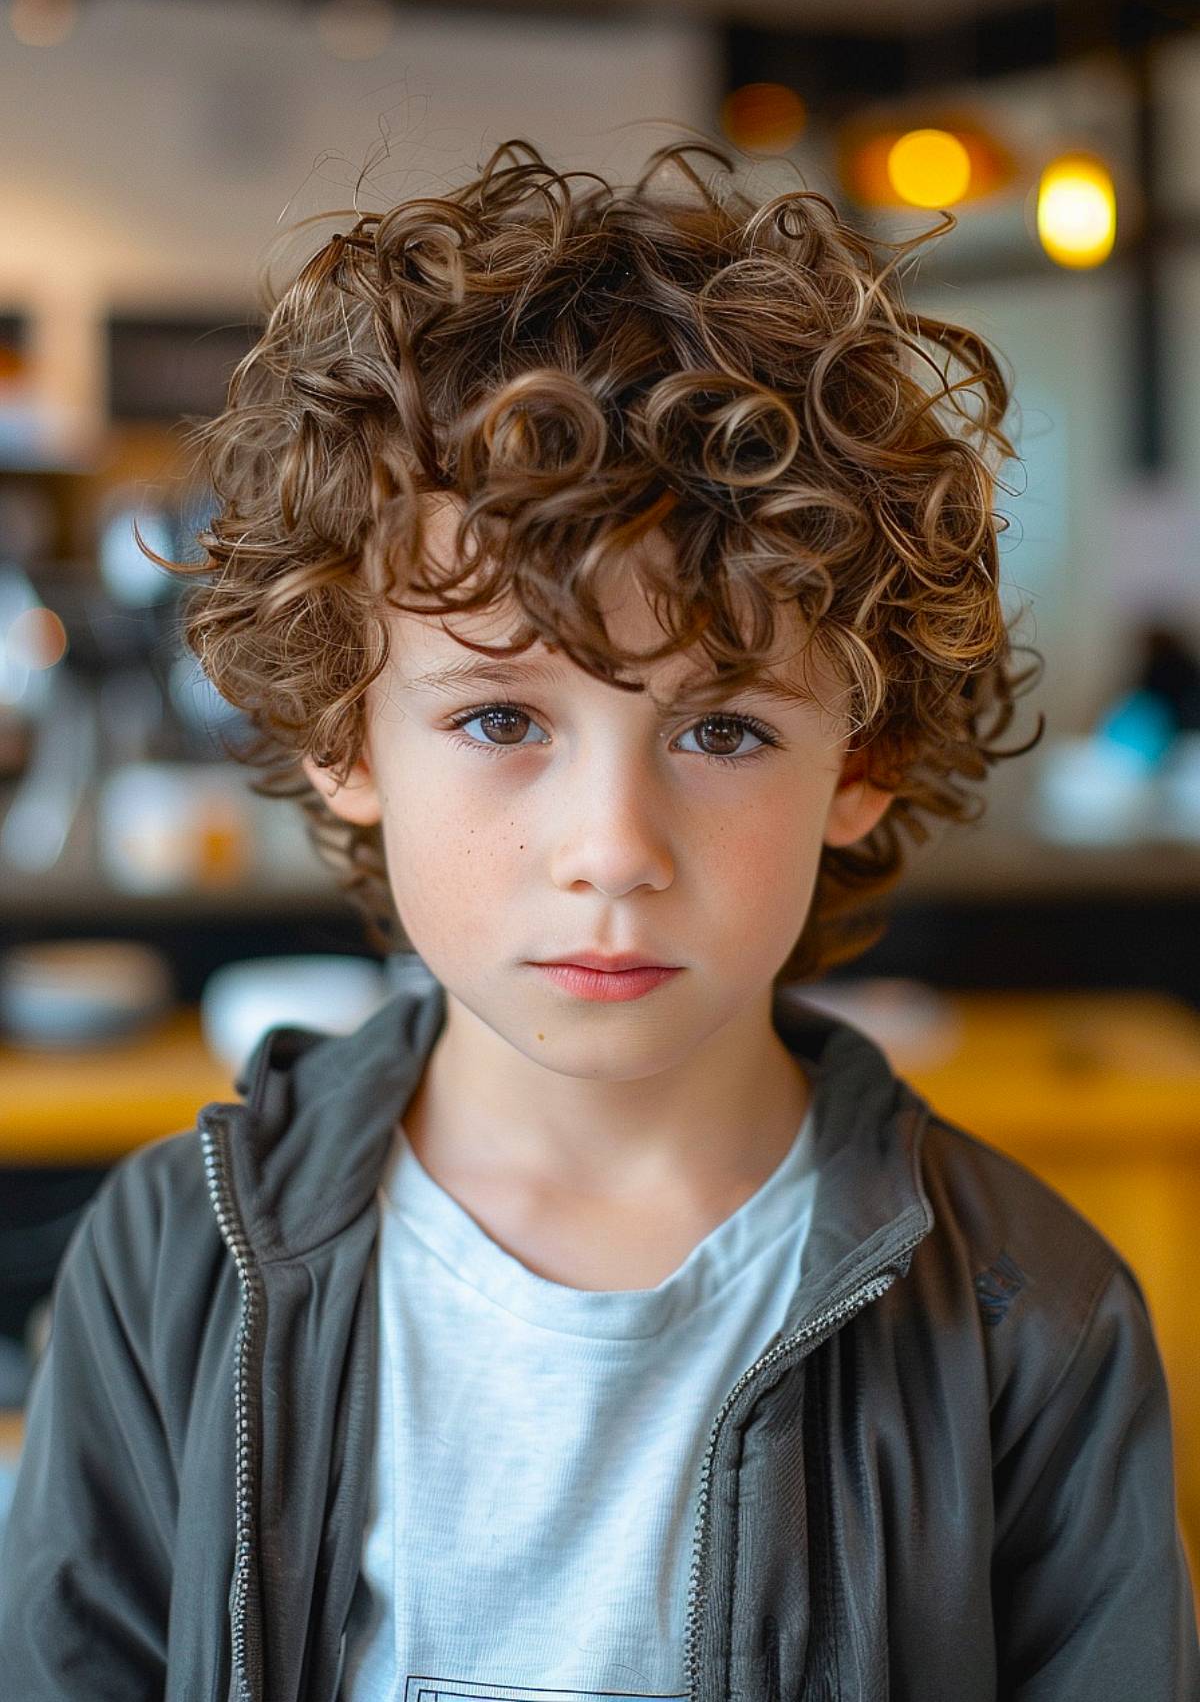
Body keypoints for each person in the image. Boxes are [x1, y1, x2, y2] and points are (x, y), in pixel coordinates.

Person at [1, 136, 1196, 1700]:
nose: (615, 851)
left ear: (869, 760)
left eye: (723, 730)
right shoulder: (170, 1268)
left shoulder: (1034, 1322)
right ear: (346, 739)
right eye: (502, 721)